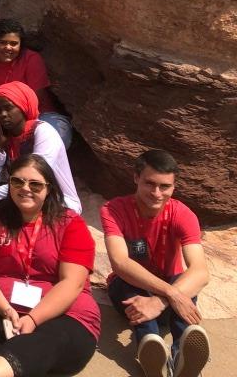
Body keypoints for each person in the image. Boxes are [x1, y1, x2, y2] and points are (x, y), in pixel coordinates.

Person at [0, 155, 99, 377]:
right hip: (0, 308)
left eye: (35, 184)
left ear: (49, 189)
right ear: (9, 184)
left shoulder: (71, 224)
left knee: (48, 341)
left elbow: (72, 283)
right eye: (17, 182)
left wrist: (33, 319)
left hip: (66, 313)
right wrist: (6, 310)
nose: (25, 189)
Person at [101, 150, 210, 377]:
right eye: (150, 184)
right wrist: (171, 294)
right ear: (135, 178)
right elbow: (120, 262)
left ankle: (182, 353)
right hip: (129, 287)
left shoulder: (184, 214)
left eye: (165, 186)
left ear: (174, 186)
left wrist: (161, 300)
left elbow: (200, 271)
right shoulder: (113, 210)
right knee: (130, 284)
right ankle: (150, 344)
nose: (157, 193)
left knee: (187, 284)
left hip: (169, 293)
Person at [0, 82, 80, 220]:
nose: (2, 115)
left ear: (23, 107)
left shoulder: (44, 132)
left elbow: (34, 180)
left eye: (8, 108)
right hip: (20, 193)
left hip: (51, 198)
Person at [0, 19, 73, 147]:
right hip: (4, 116)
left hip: (40, 115)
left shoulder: (31, 59)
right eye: (2, 42)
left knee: (55, 139)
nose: (8, 48)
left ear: (21, 45)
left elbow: (37, 96)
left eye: (14, 43)